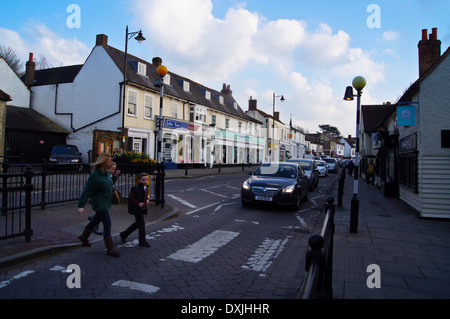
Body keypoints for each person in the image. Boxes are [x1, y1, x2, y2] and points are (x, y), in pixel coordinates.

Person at [77, 153, 120, 257]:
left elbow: (109, 183)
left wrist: (115, 177)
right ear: (103, 162)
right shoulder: (95, 175)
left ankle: (84, 237)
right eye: (109, 161)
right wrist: (81, 205)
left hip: (105, 201)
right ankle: (110, 249)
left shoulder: (106, 173)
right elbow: (86, 190)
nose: (110, 163)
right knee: (107, 223)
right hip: (100, 203)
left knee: (95, 220)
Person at [120, 172, 151, 248]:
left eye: (146, 180)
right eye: (143, 180)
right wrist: (138, 203)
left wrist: (147, 199)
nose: (145, 181)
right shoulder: (135, 189)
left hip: (142, 209)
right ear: (139, 180)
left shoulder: (146, 188)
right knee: (141, 225)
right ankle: (142, 241)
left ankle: (124, 234)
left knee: (138, 224)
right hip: (137, 209)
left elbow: (145, 196)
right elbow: (131, 198)